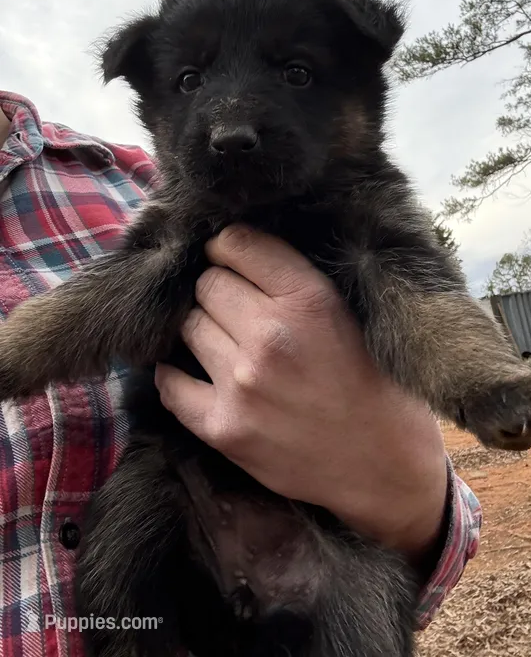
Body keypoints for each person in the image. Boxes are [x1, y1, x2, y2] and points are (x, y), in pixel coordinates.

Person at [0, 90, 481, 657]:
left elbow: (417, 524)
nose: (230, 125)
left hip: (325, 561)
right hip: (169, 558)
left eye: (296, 74)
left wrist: (407, 488)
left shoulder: (139, 178)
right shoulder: (173, 195)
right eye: (188, 79)